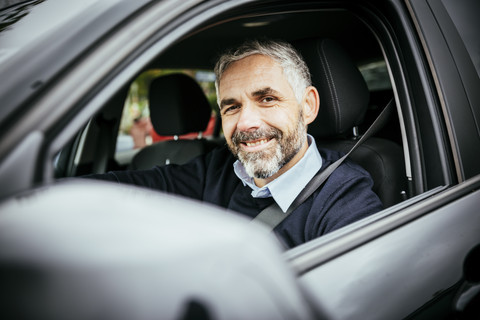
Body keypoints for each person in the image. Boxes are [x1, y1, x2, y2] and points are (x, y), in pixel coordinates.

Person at [89, 39, 383, 248]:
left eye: (267, 99)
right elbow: (122, 188)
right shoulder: (216, 169)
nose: (245, 123)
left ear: (308, 106)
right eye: (231, 107)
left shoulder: (345, 200)